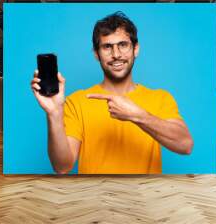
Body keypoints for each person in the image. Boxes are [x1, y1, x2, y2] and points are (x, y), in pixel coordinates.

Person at [31, 11, 193, 174]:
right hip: (95, 197)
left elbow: (185, 145)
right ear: (96, 54)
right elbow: (62, 166)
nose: (116, 55)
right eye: (107, 47)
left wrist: (137, 115)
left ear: (135, 49)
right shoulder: (77, 101)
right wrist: (54, 114)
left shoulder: (160, 98)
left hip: (145, 196)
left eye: (123, 45)